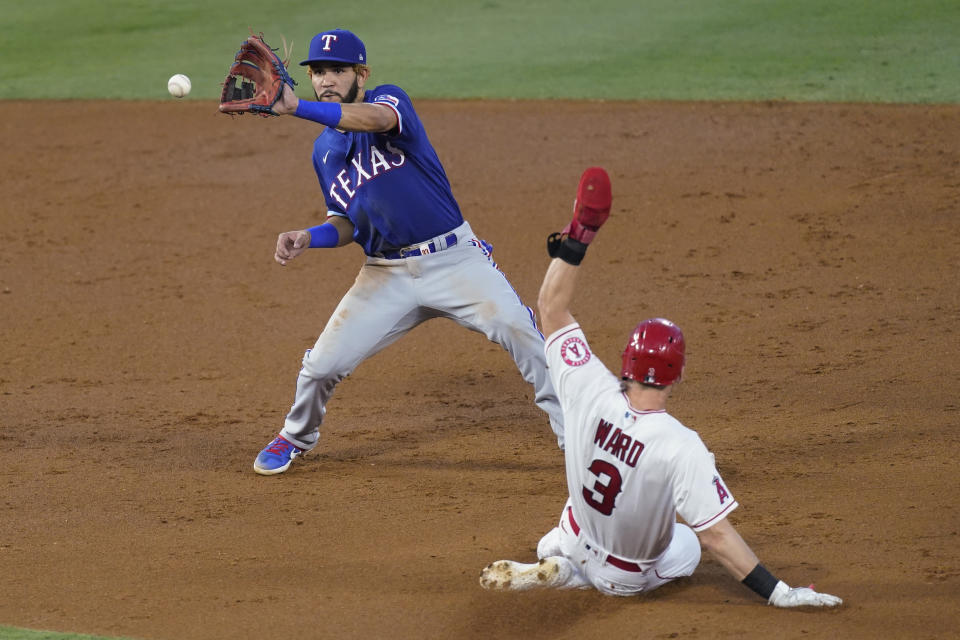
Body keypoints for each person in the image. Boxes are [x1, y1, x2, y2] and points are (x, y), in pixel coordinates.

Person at [478, 167, 843, 608]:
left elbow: (551, 308)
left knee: (561, 538)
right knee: (686, 542)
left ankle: (560, 559)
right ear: (678, 375)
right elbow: (718, 538)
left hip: (574, 533)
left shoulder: (587, 385)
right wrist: (779, 592)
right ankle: (575, 577)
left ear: (625, 361)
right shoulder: (681, 446)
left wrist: (580, 235)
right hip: (620, 577)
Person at [250, 28, 564, 475]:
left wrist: (297, 107)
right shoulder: (324, 152)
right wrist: (309, 236)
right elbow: (348, 221)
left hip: (455, 261)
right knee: (321, 367)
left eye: (338, 70)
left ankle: (579, 438)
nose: (327, 80)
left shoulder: (390, 100)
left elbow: (376, 121)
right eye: (318, 72)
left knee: (519, 331)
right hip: (385, 274)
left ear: (362, 73)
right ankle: (295, 436)